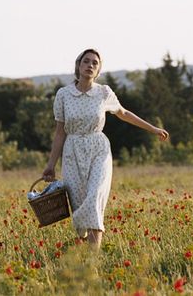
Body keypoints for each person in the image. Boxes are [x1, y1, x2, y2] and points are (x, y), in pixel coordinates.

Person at [42, 49, 169, 249]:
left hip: (98, 149)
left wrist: (153, 129)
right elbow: (60, 133)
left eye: (95, 62)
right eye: (86, 61)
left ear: (99, 69)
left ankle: (93, 265)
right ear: (78, 65)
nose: (90, 65)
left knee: (95, 199)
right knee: (79, 205)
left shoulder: (103, 92)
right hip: (72, 152)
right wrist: (51, 165)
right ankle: (82, 252)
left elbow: (124, 113)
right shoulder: (64, 94)